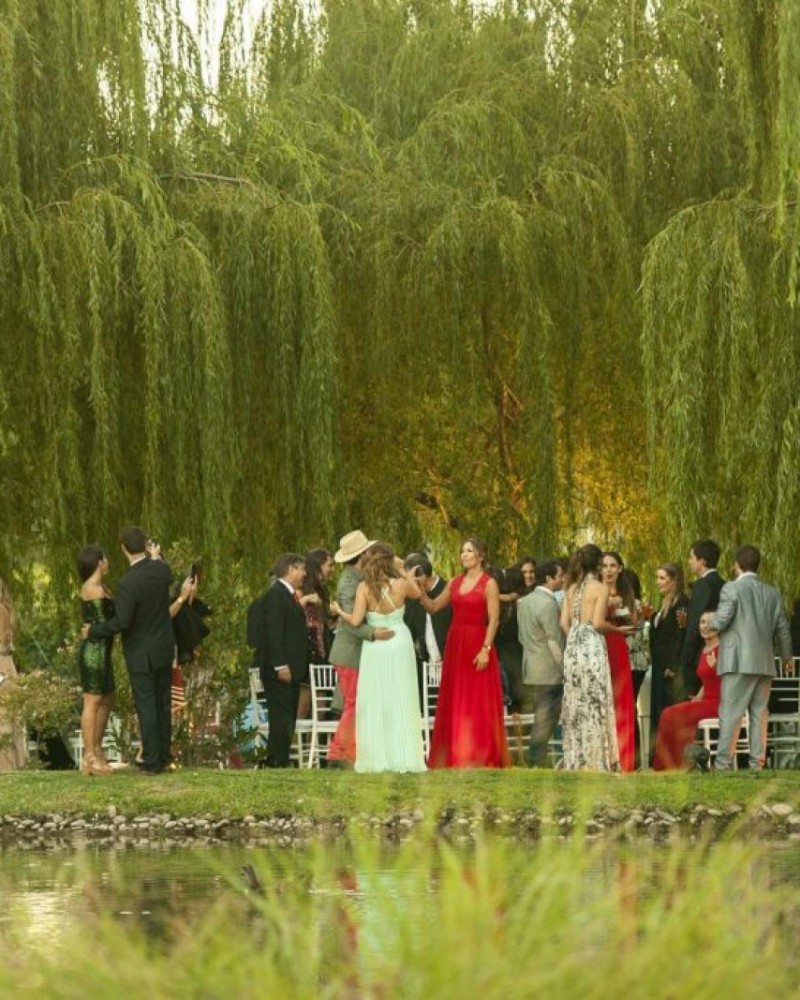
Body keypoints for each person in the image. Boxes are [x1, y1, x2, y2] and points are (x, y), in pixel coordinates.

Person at [82, 527, 194, 775]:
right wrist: (156, 556)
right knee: (164, 703)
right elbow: (164, 572)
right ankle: (164, 756)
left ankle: (152, 761)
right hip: (164, 648)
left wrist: (94, 631)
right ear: (145, 545)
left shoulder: (127, 583)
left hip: (140, 652)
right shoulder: (161, 570)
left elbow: (122, 622)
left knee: (147, 705)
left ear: (123, 549)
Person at [335, 544, 427, 773]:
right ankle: (404, 754)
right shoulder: (402, 584)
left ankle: (376, 756)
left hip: (375, 647)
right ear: (389, 560)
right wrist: (405, 572)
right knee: (401, 697)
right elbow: (419, 593)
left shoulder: (364, 588)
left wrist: (338, 611)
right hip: (400, 642)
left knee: (375, 700)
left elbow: (355, 622)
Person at [421, 537, 511, 769]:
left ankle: (479, 753)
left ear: (481, 555)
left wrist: (486, 649)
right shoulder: (454, 582)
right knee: (456, 697)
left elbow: (494, 620)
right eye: (462, 551)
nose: (464, 554)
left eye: (469, 550)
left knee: (478, 700)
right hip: (456, 644)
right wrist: (418, 589)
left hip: (478, 644)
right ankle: (456, 752)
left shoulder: (489, 584)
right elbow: (432, 607)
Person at [709, 545, 792, 771]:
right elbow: (783, 628)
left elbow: (721, 621)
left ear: (737, 565)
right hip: (764, 663)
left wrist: (711, 621)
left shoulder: (731, 589)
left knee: (731, 714)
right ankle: (758, 764)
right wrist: (787, 656)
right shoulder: (772, 593)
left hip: (737, 662)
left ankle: (722, 764)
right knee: (759, 714)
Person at [327, 531, 395, 767]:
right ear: (362, 554)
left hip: (359, 653)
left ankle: (353, 751)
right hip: (350, 653)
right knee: (354, 703)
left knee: (359, 703)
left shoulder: (359, 578)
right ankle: (340, 754)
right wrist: (373, 633)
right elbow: (350, 621)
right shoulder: (348, 582)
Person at [559, 544, 619, 772]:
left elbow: (563, 623)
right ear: (597, 564)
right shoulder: (600, 588)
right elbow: (598, 622)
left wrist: (576, 636)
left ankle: (576, 758)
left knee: (576, 701)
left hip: (573, 645)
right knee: (595, 698)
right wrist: (618, 630)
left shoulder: (571, 587)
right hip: (591, 644)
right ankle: (597, 759)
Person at [252, 553, 310, 767]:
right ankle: (277, 759)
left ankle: (280, 757)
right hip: (280, 669)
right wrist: (280, 664)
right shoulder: (276, 595)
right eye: (301, 569)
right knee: (281, 715)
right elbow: (273, 632)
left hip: (292, 668)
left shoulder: (288, 595)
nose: (304, 574)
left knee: (287, 715)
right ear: (290, 569)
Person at [653, 612, 721, 770]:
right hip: (705, 701)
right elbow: (707, 681)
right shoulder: (705, 649)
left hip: (719, 703)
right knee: (669, 714)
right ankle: (672, 763)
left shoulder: (724, 648)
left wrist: (718, 666)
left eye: (710, 623)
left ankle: (670, 765)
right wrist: (698, 696)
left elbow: (732, 679)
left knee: (670, 714)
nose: (705, 626)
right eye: (702, 622)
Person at [516, 560, 565, 767]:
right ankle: (535, 759)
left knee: (542, 715)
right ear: (549, 579)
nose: (563, 579)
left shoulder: (524, 602)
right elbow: (554, 640)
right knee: (546, 717)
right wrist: (565, 667)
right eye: (560, 575)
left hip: (531, 667)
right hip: (548, 669)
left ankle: (538, 758)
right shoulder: (548, 604)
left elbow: (521, 637)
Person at [76, 546, 116, 776]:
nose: (108, 562)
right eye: (106, 558)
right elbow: (105, 623)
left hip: (104, 651)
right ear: (99, 562)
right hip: (94, 652)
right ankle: (89, 756)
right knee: (92, 701)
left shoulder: (103, 588)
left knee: (108, 697)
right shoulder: (92, 589)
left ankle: (97, 749)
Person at [601, 552, 637, 772]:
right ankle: (603, 758)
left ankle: (624, 758)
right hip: (600, 647)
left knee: (621, 702)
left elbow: (633, 621)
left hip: (619, 647)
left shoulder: (626, 592)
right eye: (604, 566)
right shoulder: (595, 590)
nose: (608, 570)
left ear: (620, 568)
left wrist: (631, 617)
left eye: (613, 565)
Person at [648, 563, 689, 755]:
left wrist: (673, 665)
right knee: (658, 710)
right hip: (658, 665)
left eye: (662, 578)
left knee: (667, 710)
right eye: (657, 577)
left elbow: (679, 637)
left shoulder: (682, 603)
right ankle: (658, 757)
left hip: (670, 668)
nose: (658, 582)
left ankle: (671, 757)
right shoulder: (665, 603)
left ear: (674, 580)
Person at [402, 553, 452, 707]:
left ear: (421, 575)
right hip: (424, 665)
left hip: (449, 661)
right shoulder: (411, 597)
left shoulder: (447, 590)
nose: (407, 582)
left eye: (409, 577)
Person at [681, 539, 723, 697]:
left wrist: (685, 656)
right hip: (718, 651)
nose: (689, 561)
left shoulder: (702, 585)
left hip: (700, 655)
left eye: (692, 557)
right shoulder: (723, 584)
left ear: (702, 561)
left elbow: (695, 624)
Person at [297, 548, 335, 720]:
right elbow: (293, 616)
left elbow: (323, 622)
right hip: (307, 651)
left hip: (321, 651)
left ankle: (316, 744)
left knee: (320, 708)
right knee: (303, 705)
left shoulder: (322, 591)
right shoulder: (301, 590)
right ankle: (294, 745)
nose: (332, 569)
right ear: (318, 566)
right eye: (329, 565)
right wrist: (305, 601)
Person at [0, 576, 27, 771]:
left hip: (3, 666)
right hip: (6, 665)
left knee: (6, 718)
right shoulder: (6, 611)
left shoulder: (3, 611)